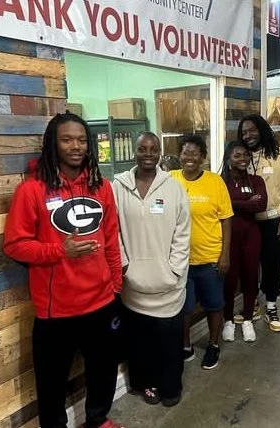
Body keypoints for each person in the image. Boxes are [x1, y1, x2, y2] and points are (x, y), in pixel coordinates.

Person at [3, 112, 124, 428]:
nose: (76, 146)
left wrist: (116, 285)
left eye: (82, 140)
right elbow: (15, 245)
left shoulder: (102, 187)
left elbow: (111, 240)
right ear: (53, 144)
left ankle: (98, 419)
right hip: (56, 311)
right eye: (67, 139)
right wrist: (60, 250)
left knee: (103, 369)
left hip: (101, 301)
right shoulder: (31, 191)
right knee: (51, 383)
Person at [113, 131, 190, 407]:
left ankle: (171, 387)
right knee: (141, 345)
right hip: (133, 288)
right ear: (134, 151)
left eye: (153, 149)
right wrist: (124, 266)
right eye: (142, 148)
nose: (148, 154)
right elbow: (114, 232)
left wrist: (174, 271)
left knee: (169, 344)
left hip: (168, 287)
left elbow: (183, 233)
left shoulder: (173, 188)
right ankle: (146, 385)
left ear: (160, 153)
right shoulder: (118, 187)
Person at [171, 134, 233, 370]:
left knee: (214, 305)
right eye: (185, 152)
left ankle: (213, 345)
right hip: (181, 260)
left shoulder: (215, 182)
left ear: (203, 158)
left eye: (194, 153)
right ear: (179, 156)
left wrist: (224, 255)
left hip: (210, 259)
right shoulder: (170, 179)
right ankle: (185, 346)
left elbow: (226, 220)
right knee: (183, 307)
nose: (189, 158)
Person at [237, 114, 280, 332]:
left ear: (262, 129)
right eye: (244, 132)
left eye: (252, 130)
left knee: (272, 264)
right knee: (248, 266)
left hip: (273, 221)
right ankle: (251, 304)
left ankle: (271, 305)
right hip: (247, 223)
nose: (248, 135)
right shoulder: (240, 157)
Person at [220, 141, 268, 342]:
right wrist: (246, 203)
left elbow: (261, 204)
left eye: (245, 155)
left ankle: (247, 319)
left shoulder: (256, 180)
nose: (243, 159)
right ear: (228, 158)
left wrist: (230, 204)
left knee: (250, 277)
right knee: (229, 280)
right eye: (237, 156)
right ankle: (228, 321)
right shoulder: (220, 182)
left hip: (251, 235)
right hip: (228, 236)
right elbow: (218, 207)